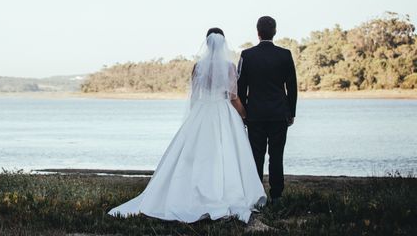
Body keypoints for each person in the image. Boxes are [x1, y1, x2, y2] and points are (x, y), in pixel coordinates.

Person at [108, 28, 266, 223]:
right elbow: (233, 96)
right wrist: (244, 114)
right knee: (225, 153)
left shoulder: (198, 67)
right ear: (223, 44)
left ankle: (192, 190)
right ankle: (225, 191)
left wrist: (195, 116)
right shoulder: (229, 67)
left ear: (206, 44)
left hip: (202, 111)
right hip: (223, 112)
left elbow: (194, 95)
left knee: (197, 155)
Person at [237, 16, 297, 203]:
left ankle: (256, 195)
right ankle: (277, 195)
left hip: (255, 114)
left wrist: (244, 113)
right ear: (275, 31)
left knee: (256, 155)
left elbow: (241, 88)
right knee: (276, 155)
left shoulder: (247, 55)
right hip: (279, 114)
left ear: (258, 32)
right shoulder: (285, 54)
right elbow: (292, 87)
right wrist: (291, 112)